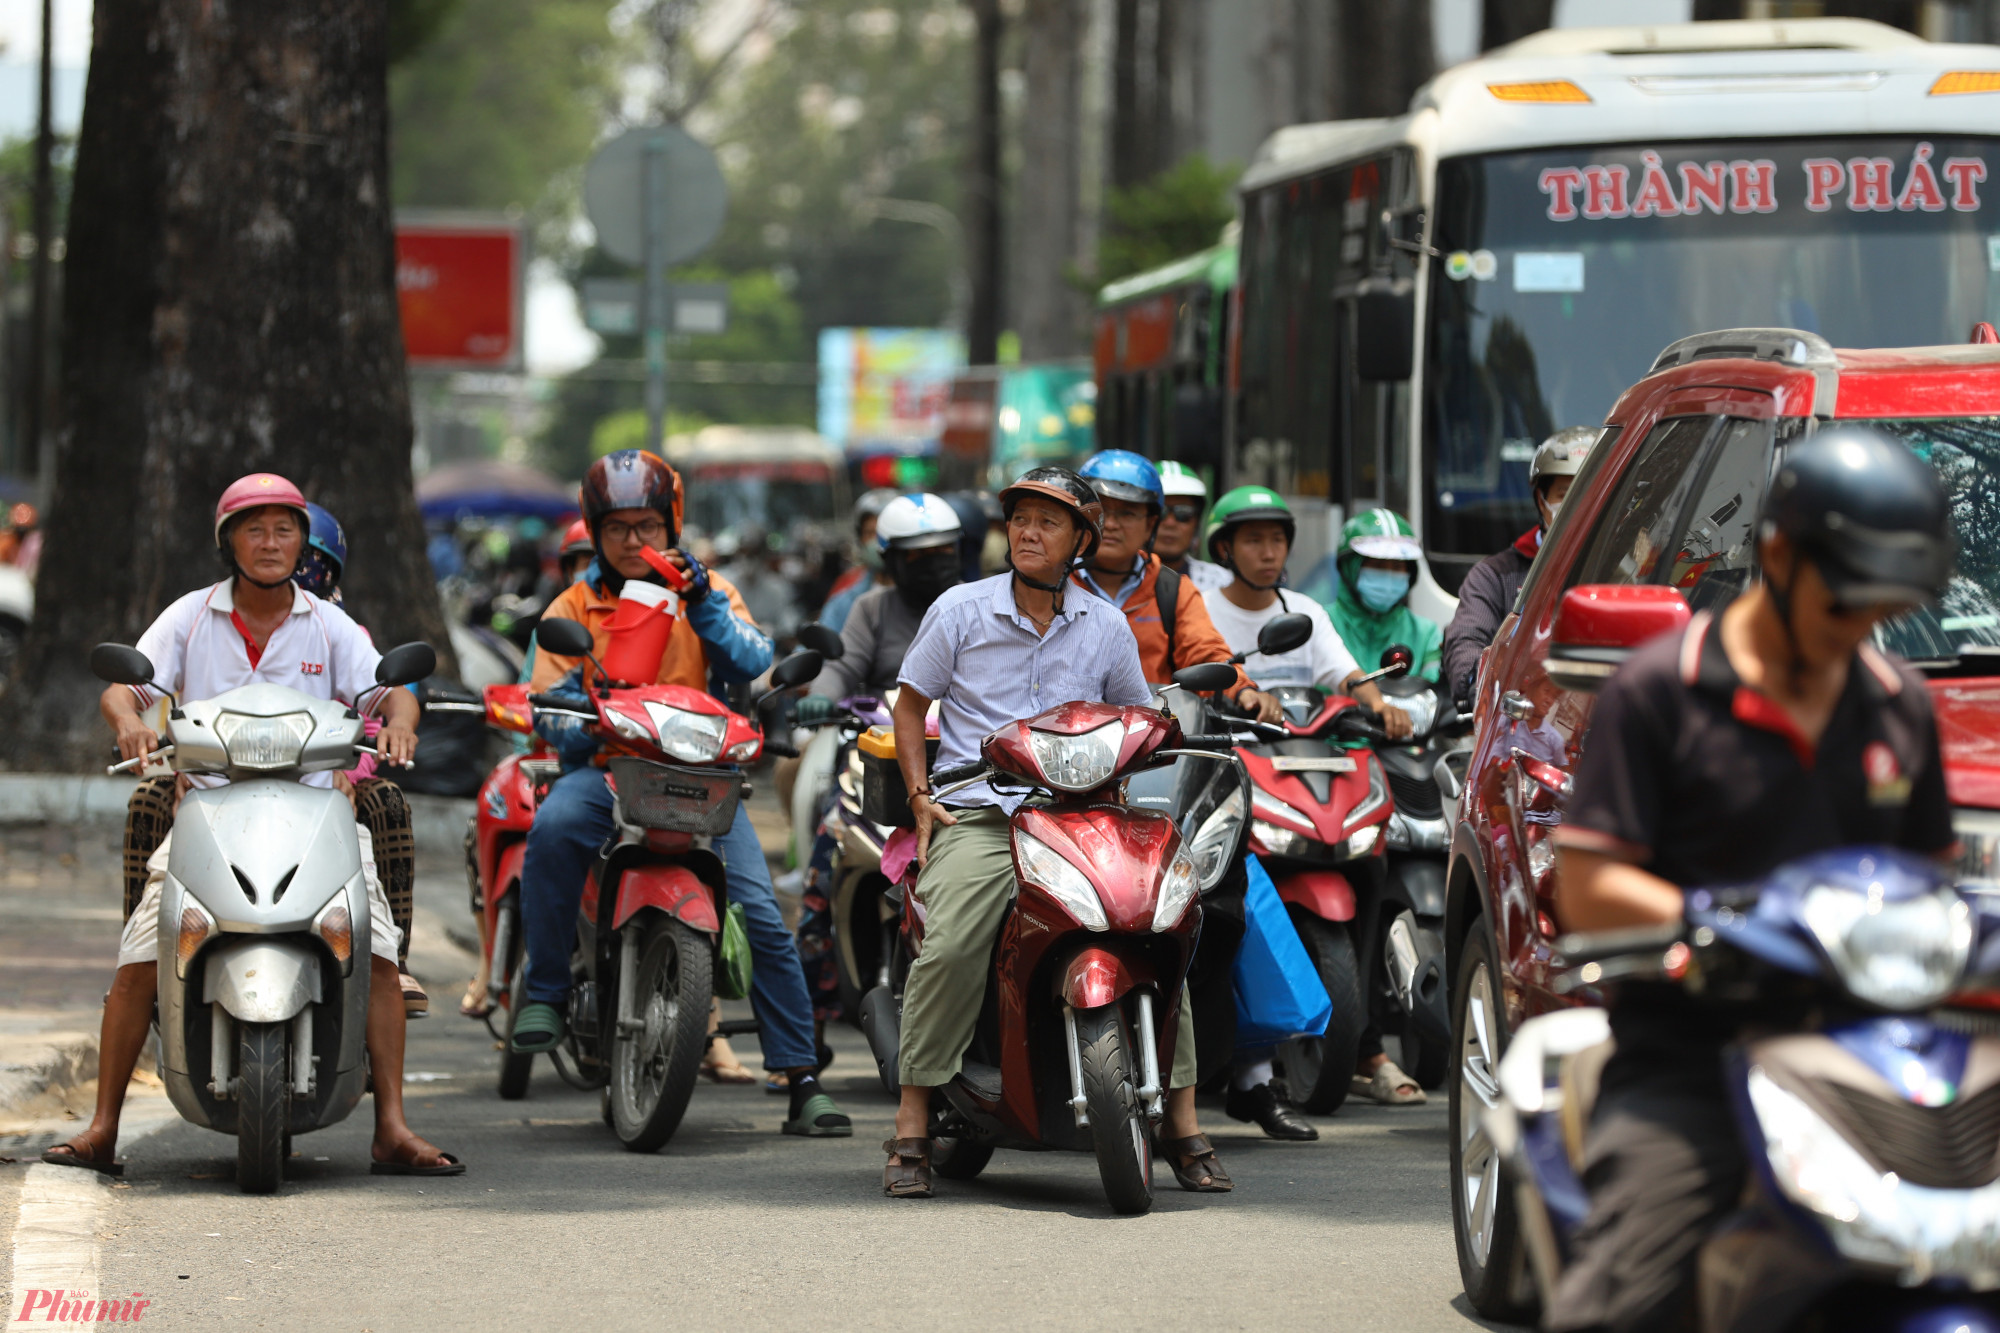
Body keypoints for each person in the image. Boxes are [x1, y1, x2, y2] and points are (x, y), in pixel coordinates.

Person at [1547, 428, 1956, 1333]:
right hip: (1696, 1053)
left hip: (1876, 1059)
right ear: (1778, 553)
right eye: (1845, 600)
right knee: (1624, 1299)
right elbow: (1591, 884)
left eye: (1884, 608)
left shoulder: (1900, 706)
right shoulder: (1660, 692)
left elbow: (1929, 882)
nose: (1861, 629)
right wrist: (1721, 927)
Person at [43, 474, 459, 1178]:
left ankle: (390, 1124)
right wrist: (128, 723)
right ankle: (103, 1127)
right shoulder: (188, 617)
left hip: (319, 810)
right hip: (208, 808)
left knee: (379, 953)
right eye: (256, 529)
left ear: (303, 541)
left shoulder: (330, 625)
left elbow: (393, 694)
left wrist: (399, 728)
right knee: (141, 951)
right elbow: (125, 687)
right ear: (228, 540)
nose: (272, 543)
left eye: (285, 529)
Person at [883, 466, 1231, 1199]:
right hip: (981, 811)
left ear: (1080, 539)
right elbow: (910, 708)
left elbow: (1141, 721)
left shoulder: (1104, 624)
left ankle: (1183, 1118)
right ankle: (912, 1123)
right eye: (1019, 520)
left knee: (1158, 925)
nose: (1028, 533)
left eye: (1047, 522)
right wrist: (920, 796)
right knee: (951, 940)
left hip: (1082, 816)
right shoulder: (960, 611)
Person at [511, 450, 850, 1139]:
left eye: (648, 527)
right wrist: (583, 704)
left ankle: (801, 1075)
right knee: (550, 831)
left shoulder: (713, 588)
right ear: (593, 531)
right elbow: (542, 703)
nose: (635, 543)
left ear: (672, 525)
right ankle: (543, 991)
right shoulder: (575, 604)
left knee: (758, 911)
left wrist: (701, 606)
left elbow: (755, 661)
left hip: (704, 779)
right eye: (617, 530)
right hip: (609, 770)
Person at [1199, 486, 1425, 1112]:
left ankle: (1367, 1038)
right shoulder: (1206, 610)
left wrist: (1381, 705)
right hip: (1233, 769)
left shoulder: (1303, 610)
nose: (1268, 552)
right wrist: (1241, 695)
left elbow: (1345, 674)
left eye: (1276, 540)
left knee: (1372, 859)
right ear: (1225, 548)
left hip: (1307, 764)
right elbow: (1202, 670)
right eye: (1252, 540)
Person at [790, 493, 964, 1029]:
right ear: (887, 560)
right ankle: (808, 1026)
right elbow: (841, 670)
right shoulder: (872, 609)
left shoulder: (974, 605)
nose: (932, 564)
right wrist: (822, 695)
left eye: (942, 552)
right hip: (881, 765)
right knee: (827, 857)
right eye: (916, 556)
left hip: (963, 766)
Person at [290, 500, 428, 1020]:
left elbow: (383, 705)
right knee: (152, 800)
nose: (295, 573)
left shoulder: (341, 631)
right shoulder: (211, 619)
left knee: (388, 803)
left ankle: (397, 956)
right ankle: (142, 960)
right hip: (231, 777)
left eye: (309, 563)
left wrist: (350, 768)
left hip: (332, 777)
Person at [1072, 450, 1279, 722]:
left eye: (1128, 513)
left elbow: (1205, 653)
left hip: (1148, 744)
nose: (1110, 524)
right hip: (1063, 745)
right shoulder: (1053, 582)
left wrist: (1243, 691)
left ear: (1150, 525)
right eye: (1101, 510)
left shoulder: (1172, 589)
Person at [1441, 426, 1596, 710]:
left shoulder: (1630, 571)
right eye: (1566, 493)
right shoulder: (1495, 576)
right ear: (1541, 500)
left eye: (1589, 492)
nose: (1578, 504)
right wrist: (1482, 684)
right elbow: (1468, 638)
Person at [1324, 509, 1443, 684]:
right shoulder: (1322, 625)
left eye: (1397, 566)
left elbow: (1435, 695)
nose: (1388, 575)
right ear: (1350, 568)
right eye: (1377, 564)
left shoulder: (1426, 634)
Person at [819, 488, 898, 632]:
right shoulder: (846, 599)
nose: (876, 541)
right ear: (860, 539)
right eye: (869, 533)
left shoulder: (925, 595)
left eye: (883, 532)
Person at [1152, 461, 1230, 592]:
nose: (1170, 523)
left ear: (1197, 523)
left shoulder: (1221, 584)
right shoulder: (1113, 580)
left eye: (1183, 513)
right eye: (1161, 512)